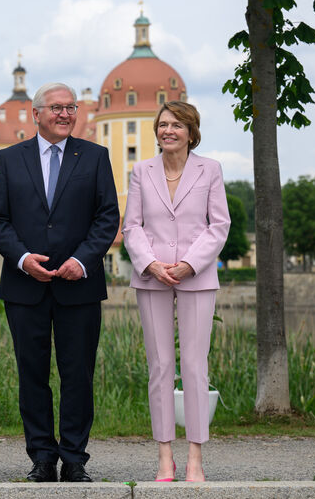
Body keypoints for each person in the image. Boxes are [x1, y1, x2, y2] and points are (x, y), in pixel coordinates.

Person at [0, 82, 119, 483]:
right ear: (36, 113)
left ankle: (75, 458)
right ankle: (42, 457)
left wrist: (83, 260)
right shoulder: (10, 159)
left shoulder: (95, 156)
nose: (65, 114)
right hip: (25, 287)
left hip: (79, 286)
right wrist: (24, 259)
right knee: (32, 375)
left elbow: (107, 217)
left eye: (70, 108)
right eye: (56, 108)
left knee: (78, 374)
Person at [122, 101, 229, 482]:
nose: (168, 130)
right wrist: (150, 263)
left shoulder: (210, 170)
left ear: (191, 132)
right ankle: (165, 457)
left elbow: (219, 225)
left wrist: (189, 264)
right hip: (151, 277)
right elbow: (131, 226)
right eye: (163, 124)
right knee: (161, 367)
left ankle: (195, 458)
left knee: (195, 367)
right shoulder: (141, 170)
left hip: (196, 277)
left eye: (177, 125)